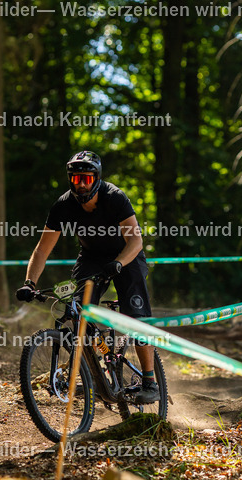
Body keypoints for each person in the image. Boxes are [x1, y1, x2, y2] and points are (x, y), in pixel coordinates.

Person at [15, 150, 159, 404]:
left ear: (97, 179)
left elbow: (136, 240)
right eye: (75, 179)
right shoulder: (63, 206)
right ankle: (88, 374)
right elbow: (42, 249)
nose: (81, 184)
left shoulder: (114, 198)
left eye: (87, 179)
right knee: (77, 309)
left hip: (126, 256)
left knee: (137, 319)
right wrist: (30, 283)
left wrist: (118, 263)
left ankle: (150, 381)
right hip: (92, 257)